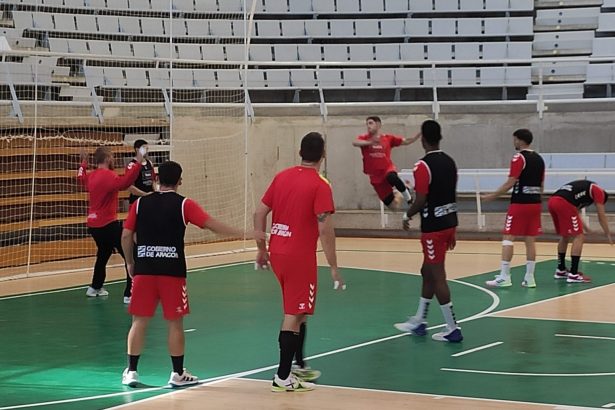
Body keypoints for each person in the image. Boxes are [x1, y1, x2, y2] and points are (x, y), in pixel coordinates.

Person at [120, 161, 244, 388]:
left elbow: (127, 236)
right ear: (180, 181)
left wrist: (130, 262)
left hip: (145, 270)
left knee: (138, 322)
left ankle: (132, 371)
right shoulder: (184, 204)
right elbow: (212, 225)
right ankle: (177, 374)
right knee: (174, 324)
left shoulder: (139, 204)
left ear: (156, 178)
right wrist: (246, 233)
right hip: (172, 272)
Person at [254, 132, 344, 392]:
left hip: (278, 251)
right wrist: (334, 267)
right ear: (323, 154)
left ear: (300, 151)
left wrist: (261, 249)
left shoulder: (283, 176)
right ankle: (283, 377)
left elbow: (259, 212)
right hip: (298, 256)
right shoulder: (320, 185)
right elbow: (326, 230)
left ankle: (297, 365)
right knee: (294, 314)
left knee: (300, 313)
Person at [394, 120, 463, 343]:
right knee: (427, 271)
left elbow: (422, 200)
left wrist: (407, 215)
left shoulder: (422, 166)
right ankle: (420, 320)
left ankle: (452, 328)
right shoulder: (451, 162)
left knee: (438, 275)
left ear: (423, 139)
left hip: (433, 227)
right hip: (449, 222)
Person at [77, 146, 143, 302]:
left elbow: (81, 177)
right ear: (107, 159)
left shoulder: (91, 177)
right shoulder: (109, 176)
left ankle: (95, 287)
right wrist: (137, 161)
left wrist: (83, 163)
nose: (113, 159)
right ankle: (130, 293)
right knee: (131, 255)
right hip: (107, 224)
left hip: (93, 226)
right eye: (112, 157)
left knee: (103, 253)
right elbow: (126, 181)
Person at [484, 129, 545, 288]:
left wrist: (493, 195)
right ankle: (530, 278)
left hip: (520, 203)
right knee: (530, 239)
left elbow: (511, 181)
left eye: (515, 140)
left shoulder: (518, 158)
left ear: (519, 140)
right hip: (535, 203)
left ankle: (505, 276)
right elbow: (542, 185)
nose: (514, 143)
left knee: (508, 237)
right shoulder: (539, 159)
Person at [548, 180, 612, 283]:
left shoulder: (582, 190)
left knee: (565, 236)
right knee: (579, 236)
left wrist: (586, 228)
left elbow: (575, 212)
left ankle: (561, 269)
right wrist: (608, 234)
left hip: (552, 202)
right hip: (563, 203)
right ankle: (573, 274)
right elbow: (601, 215)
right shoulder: (598, 191)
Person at [352, 116, 420, 210]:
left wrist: (418, 135)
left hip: (387, 169)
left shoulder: (388, 138)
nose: (368, 126)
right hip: (375, 178)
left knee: (391, 176)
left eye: (371, 123)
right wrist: (370, 142)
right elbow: (355, 142)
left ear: (378, 125)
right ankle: (402, 191)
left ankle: (409, 199)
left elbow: (407, 141)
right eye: (367, 124)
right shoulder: (364, 138)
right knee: (393, 207)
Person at [128, 139, 157, 204]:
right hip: (137, 200)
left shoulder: (149, 163)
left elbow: (153, 181)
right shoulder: (132, 165)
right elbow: (130, 187)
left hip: (150, 199)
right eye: (144, 148)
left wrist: (156, 193)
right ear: (137, 149)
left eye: (147, 148)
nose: (146, 150)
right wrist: (145, 194)